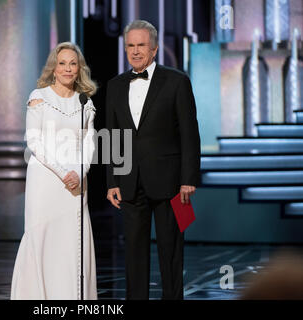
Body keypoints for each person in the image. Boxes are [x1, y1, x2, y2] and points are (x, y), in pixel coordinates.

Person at [105, 20, 201, 300]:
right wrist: (112, 180)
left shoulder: (177, 81)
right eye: (130, 46)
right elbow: (113, 137)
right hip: (130, 182)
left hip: (171, 183)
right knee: (134, 253)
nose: (135, 51)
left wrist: (188, 179)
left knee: (171, 251)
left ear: (155, 48)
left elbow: (189, 133)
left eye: (141, 45)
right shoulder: (115, 85)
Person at [11, 42, 98, 300]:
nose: (68, 68)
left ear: (79, 68)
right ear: (54, 67)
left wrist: (79, 172)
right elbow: (34, 141)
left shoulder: (85, 101)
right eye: (62, 63)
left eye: (73, 63)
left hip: (76, 182)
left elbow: (89, 141)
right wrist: (64, 173)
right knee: (42, 236)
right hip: (46, 179)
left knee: (72, 242)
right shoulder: (39, 96)